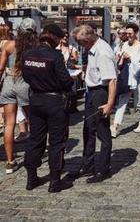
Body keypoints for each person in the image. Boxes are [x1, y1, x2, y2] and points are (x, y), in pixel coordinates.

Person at [22, 25, 74, 192]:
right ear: (55, 38)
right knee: (56, 142)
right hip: (54, 101)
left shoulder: (27, 54)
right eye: (59, 39)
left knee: (35, 139)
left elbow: (25, 76)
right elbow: (66, 81)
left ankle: (31, 178)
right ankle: (55, 181)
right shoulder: (55, 56)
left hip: (35, 100)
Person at [71, 25, 117, 183]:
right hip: (91, 91)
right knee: (88, 129)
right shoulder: (93, 48)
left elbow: (112, 80)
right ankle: (87, 164)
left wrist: (109, 104)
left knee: (102, 131)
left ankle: (104, 169)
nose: (81, 46)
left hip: (100, 92)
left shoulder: (102, 52)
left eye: (81, 43)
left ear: (88, 39)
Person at [0, 18, 38, 174]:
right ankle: (34, 155)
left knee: (9, 124)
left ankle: (10, 161)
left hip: (9, 83)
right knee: (34, 122)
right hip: (26, 84)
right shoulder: (34, 47)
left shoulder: (9, 45)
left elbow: (1, 68)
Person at [110, 23, 140, 138]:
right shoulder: (124, 44)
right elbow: (119, 61)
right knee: (122, 101)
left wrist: (130, 58)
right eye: (127, 33)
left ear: (135, 33)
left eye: (130, 33)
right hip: (126, 77)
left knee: (139, 101)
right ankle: (115, 126)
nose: (128, 35)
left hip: (137, 77)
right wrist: (121, 57)